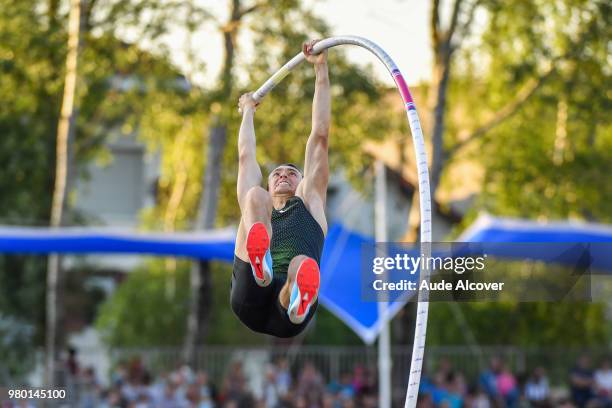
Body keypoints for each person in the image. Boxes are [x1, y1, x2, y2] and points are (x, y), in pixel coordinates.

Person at [230, 39, 330, 337]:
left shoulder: (310, 203)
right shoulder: (259, 203)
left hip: (287, 312)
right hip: (248, 297)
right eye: (277, 173)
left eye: (291, 173)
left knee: (301, 264)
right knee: (253, 195)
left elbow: (320, 136)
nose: (283, 175)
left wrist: (321, 71)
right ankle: (261, 267)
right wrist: (248, 110)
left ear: (302, 183)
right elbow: (246, 155)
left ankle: (295, 297)